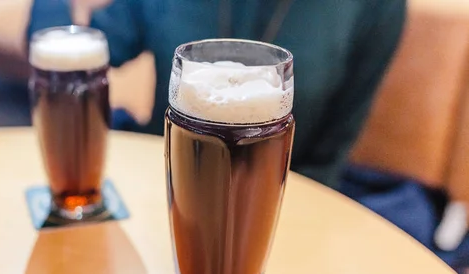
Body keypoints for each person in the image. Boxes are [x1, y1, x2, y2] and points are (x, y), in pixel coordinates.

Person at [26, 0, 406, 189]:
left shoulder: (375, 7)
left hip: (278, 209)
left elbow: (328, 157)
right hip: (167, 194)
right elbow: (73, 57)